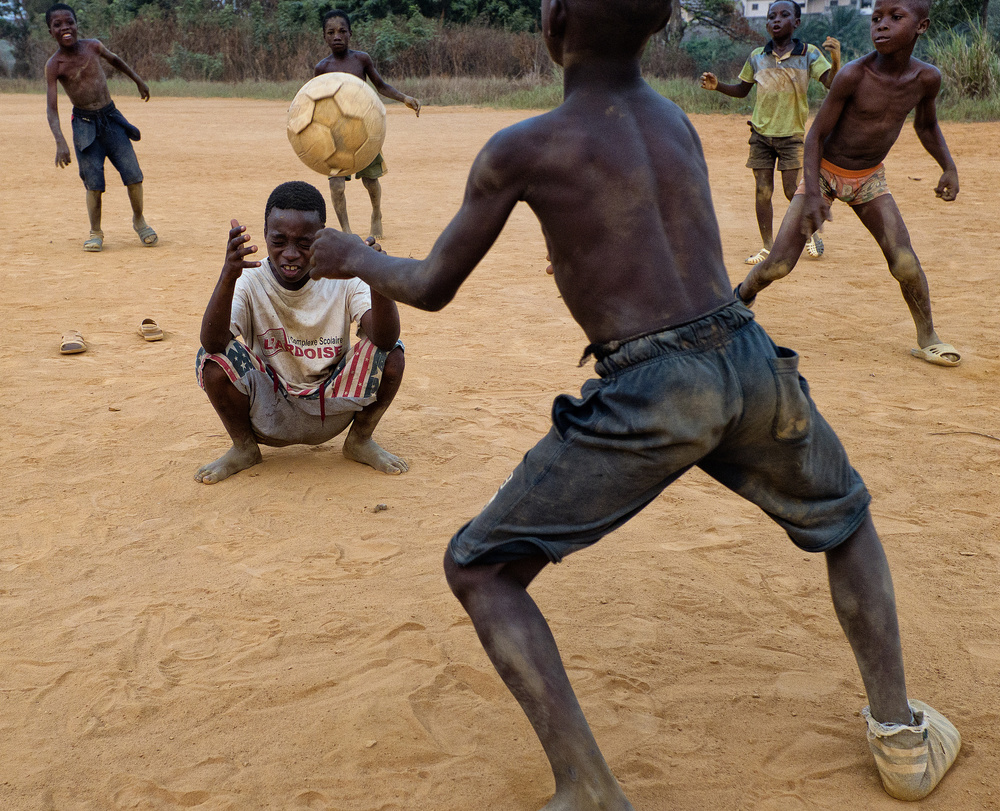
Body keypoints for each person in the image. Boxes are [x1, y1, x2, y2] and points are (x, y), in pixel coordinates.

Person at [309, 0, 959, 805]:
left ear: (553, 31)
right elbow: (662, 245)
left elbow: (433, 285)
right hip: (746, 354)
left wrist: (354, 254)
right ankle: (899, 731)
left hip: (654, 385)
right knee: (847, 517)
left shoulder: (520, 148)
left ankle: (587, 786)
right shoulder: (675, 121)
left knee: (479, 569)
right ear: (654, 27)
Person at [736, 0, 961, 367]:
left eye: (894, 17)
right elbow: (815, 136)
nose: (881, 26)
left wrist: (947, 166)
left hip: (868, 178)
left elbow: (926, 125)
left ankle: (928, 337)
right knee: (777, 265)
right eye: (876, 19)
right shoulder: (854, 75)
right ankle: (740, 299)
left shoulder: (926, 79)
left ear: (921, 27)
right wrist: (810, 195)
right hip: (822, 172)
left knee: (904, 263)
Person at [195, 181, 407, 485]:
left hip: (332, 404)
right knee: (211, 359)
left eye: (305, 243)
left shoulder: (344, 275)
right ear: (265, 235)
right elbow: (212, 341)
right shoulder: (250, 279)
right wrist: (229, 274)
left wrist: (377, 275)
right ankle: (244, 448)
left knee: (393, 352)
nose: (291, 253)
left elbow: (384, 339)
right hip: (269, 409)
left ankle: (359, 440)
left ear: (321, 237)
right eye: (279, 241)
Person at [701, 0, 839, 264]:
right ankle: (767, 246)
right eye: (771, 16)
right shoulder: (757, 56)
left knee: (791, 191)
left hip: (791, 136)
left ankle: (810, 234)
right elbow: (742, 90)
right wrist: (718, 86)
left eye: (784, 15)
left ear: (796, 22)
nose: (776, 20)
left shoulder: (808, 54)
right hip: (761, 135)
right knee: (762, 191)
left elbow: (832, 83)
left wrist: (835, 57)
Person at [45, 3, 157, 252]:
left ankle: (139, 220)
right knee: (93, 182)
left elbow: (116, 61)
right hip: (84, 126)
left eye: (69, 22)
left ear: (76, 24)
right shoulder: (55, 65)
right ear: (50, 31)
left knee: (133, 174)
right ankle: (95, 231)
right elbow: (51, 108)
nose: (65, 28)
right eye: (58, 25)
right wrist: (60, 141)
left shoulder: (93, 46)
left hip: (111, 119)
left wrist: (138, 81)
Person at [314, 9, 421, 240]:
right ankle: (347, 232)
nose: (337, 36)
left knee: (371, 180)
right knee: (337, 186)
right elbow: (313, 99)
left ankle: (376, 213)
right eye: (331, 32)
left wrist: (405, 98)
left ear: (350, 33)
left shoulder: (361, 60)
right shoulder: (322, 68)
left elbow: (380, 86)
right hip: (335, 135)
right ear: (324, 36)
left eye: (342, 31)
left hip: (363, 131)